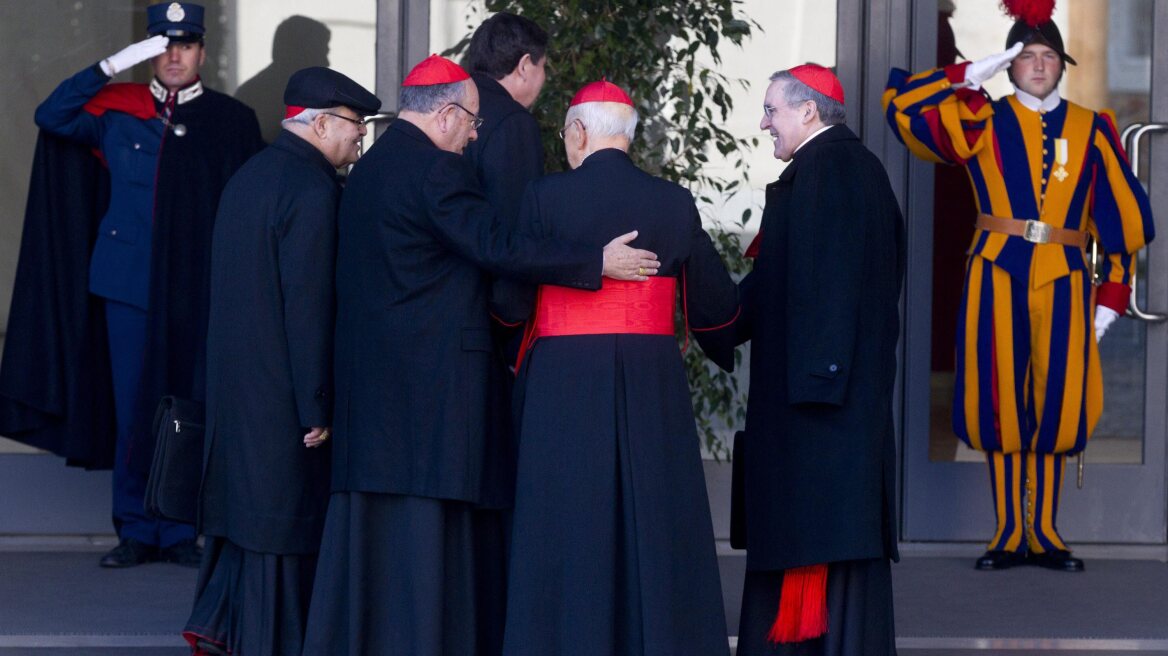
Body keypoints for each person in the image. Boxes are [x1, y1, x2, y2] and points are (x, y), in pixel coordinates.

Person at [301, 54, 660, 656]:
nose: (475, 133)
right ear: (444, 115)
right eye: (472, 121)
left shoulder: (372, 167)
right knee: (426, 546)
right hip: (431, 386)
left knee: (380, 544)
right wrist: (592, 262)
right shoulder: (436, 170)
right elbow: (495, 244)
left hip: (376, 384)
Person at [883, 2, 1154, 572]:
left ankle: (1047, 532)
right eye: (1025, 56)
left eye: (1047, 55)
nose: (1037, 65)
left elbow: (1123, 223)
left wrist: (1110, 300)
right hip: (996, 272)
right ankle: (1008, 531)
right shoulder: (980, 118)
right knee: (1000, 401)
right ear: (1009, 65)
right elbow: (903, 109)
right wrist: (966, 75)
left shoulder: (1093, 127)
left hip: (1065, 276)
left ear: (1063, 65)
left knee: (1057, 403)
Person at [1, 2, 263, 568]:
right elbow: (52, 114)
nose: (174, 55)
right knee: (133, 411)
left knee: (190, 406)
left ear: (202, 52)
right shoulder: (118, 112)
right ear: (147, 51)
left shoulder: (230, 119)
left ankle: (179, 527)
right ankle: (136, 527)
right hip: (129, 287)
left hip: (198, 288)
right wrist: (111, 65)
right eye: (162, 45)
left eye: (186, 44)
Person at [491, 79, 738, 656]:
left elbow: (507, 303)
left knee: (563, 518)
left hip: (561, 379)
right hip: (651, 379)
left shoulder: (543, 197)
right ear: (629, 134)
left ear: (578, 132)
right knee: (655, 516)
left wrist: (508, 355)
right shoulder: (672, 201)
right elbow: (715, 308)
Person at [702, 64, 904, 655]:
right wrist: (713, 319)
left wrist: (818, 386)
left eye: (771, 110)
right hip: (830, 406)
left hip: (818, 412)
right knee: (823, 544)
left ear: (808, 111)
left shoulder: (826, 173)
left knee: (815, 540)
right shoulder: (848, 168)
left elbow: (827, 288)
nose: (763, 123)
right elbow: (782, 283)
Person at [181, 67, 380, 656]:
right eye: (353, 125)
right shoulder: (314, 190)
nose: (360, 138)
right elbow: (308, 309)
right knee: (280, 533)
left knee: (244, 525)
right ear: (319, 123)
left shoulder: (251, 176)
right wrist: (316, 405)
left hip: (237, 395)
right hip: (282, 403)